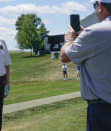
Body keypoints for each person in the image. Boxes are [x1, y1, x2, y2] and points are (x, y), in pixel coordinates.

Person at [60, 0, 111, 130]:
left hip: (103, 108)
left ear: (100, 7)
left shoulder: (93, 32)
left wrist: (69, 39)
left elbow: (64, 56)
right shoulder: (92, 33)